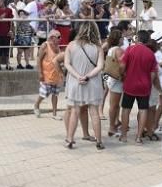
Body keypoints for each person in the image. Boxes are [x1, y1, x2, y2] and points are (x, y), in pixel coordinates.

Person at [63, 21, 105, 150]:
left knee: (74, 111)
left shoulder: (71, 45)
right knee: (94, 112)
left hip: (75, 83)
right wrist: (87, 76)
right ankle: (99, 141)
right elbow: (100, 66)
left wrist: (78, 76)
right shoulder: (98, 47)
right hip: (93, 83)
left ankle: (70, 139)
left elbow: (67, 64)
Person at [118, 29, 162, 144]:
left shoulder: (130, 49)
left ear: (137, 38)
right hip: (144, 86)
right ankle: (138, 137)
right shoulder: (151, 54)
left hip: (129, 84)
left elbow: (122, 66)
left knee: (126, 110)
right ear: (148, 40)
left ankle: (123, 136)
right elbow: (153, 75)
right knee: (143, 110)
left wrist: (123, 75)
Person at [33, 30, 65, 119]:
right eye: (58, 37)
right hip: (46, 74)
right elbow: (39, 59)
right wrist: (40, 73)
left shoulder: (57, 47)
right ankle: (36, 105)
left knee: (55, 94)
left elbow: (58, 60)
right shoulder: (45, 45)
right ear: (52, 37)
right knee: (44, 93)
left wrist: (61, 72)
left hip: (55, 75)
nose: (60, 39)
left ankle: (54, 114)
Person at [103, 28, 125, 139]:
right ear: (118, 39)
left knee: (114, 105)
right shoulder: (118, 50)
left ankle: (114, 124)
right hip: (117, 80)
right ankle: (112, 127)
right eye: (122, 37)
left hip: (112, 78)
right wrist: (123, 75)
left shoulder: (111, 49)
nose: (123, 39)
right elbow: (122, 65)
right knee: (115, 105)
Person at [0, 0, 14, 71]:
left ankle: (7, 64)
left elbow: (11, 22)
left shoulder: (9, 10)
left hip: (6, 33)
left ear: (2, 1)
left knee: (6, 50)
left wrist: (11, 31)